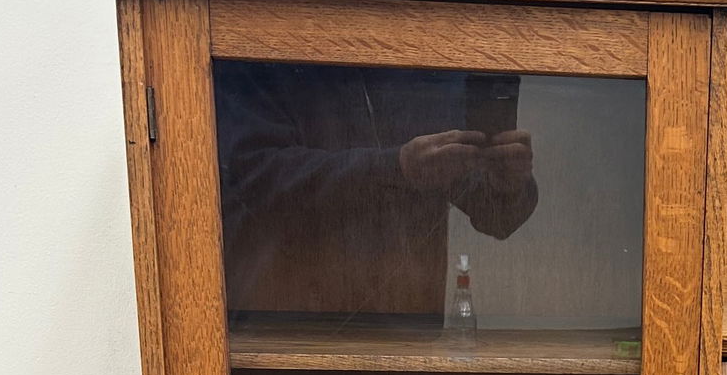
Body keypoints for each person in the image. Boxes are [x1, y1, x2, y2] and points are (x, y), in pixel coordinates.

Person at [215, 62, 537, 313]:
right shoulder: (267, 40)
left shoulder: (424, 60)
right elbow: (256, 179)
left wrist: (506, 186)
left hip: (409, 326)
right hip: (288, 327)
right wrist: (396, 168)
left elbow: (494, 216)